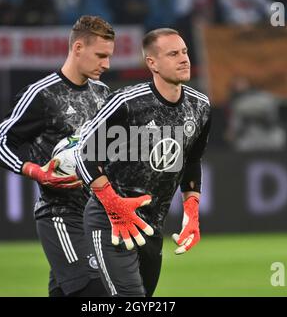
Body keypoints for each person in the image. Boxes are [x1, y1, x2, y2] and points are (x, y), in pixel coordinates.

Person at [75, 28, 212, 296]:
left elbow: (192, 160)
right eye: (173, 54)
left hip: (151, 226)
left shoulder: (201, 106)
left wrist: (192, 211)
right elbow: (84, 154)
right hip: (110, 221)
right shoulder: (127, 103)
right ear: (153, 63)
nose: (184, 59)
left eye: (184, 52)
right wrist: (114, 206)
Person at [0, 15, 115, 297]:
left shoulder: (104, 94)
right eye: (101, 56)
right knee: (98, 293)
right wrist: (36, 171)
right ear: (78, 48)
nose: (106, 64)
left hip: (96, 217)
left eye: (109, 57)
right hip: (61, 216)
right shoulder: (41, 95)